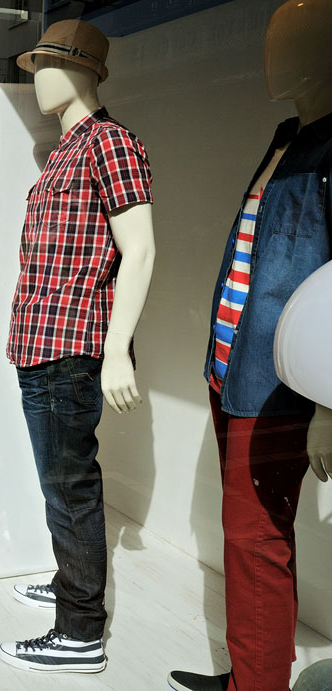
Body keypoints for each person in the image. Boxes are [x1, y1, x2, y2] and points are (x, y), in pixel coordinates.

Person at [168, 3, 332, 690]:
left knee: (256, 540)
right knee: (248, 537)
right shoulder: (290, 137)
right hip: (235, 370)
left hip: (283, 387)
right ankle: (251, 674)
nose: (270, 56)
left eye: (288, 42)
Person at [1, 20, 155, 675]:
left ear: (84, 70)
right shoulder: (63, 148)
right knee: (58, 485)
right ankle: (74, 588)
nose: (37, 77)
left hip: (70, 344)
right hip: (39, 341)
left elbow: (140, 247)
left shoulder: (110, 143)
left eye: (48, 65)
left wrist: (118, 348)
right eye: (35, 65)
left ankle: (80, 630)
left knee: (71, 488)